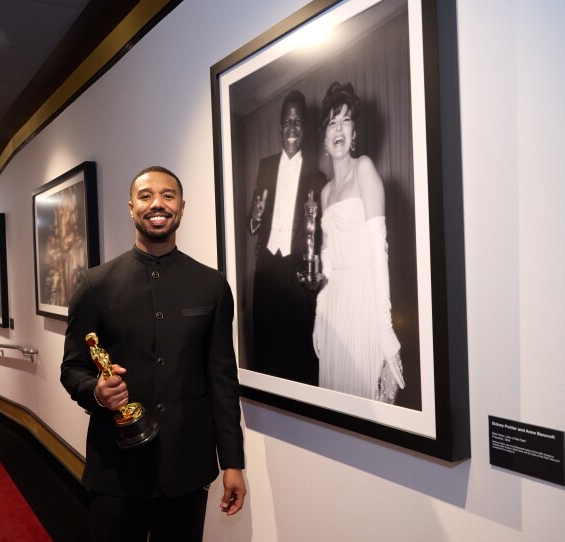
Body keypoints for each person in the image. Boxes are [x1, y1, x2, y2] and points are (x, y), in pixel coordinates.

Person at [61, 166, 246, 541]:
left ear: (181, 207)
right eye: (146, 196)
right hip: (115, 469)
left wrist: (232, 462)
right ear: (131, 208)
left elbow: (222, 380)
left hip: (187, 469)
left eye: (167, 195)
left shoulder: (211, 285)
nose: (157, 204)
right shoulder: (94, 284)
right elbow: (73, 368)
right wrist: (97, 392)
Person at [312, 81, 405, 403]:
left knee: (367, 405)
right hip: (336, 306)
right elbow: (327, 268)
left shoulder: (364, 168)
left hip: (364, 300)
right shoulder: (325, 193)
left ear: (354, 133)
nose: (339, 128)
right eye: (332, 122)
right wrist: (319, 318)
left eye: (346, 120)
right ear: (324, 139)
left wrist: (384, 327)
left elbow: (379, 254)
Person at [247, 90, 327, 385]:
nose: (292, 127)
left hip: (297, 272)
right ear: (280, 127)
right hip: (266, 268)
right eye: (287, 121)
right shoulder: (265, 166)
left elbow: (317, 236)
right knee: (266, 345)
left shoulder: (318, 178)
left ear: (304, 129)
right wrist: (255, 215)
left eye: (298, 121)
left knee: (297, 349)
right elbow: (252, 224)